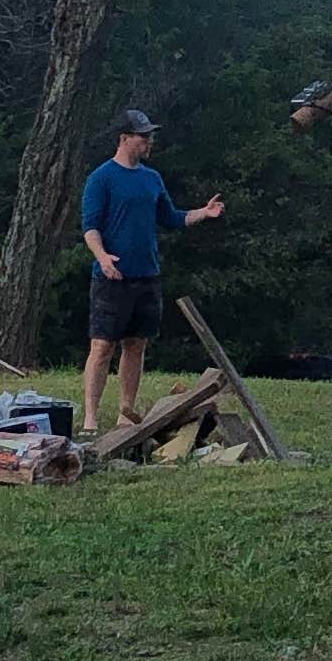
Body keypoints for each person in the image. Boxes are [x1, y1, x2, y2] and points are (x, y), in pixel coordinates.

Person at [79, 112, 224, 435]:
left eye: (150, 136)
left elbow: (171, 218)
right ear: (124, 138)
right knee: (102, 347)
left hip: (147, 276)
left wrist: (204, 212)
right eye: (143, 136)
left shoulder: (152, 179)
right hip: (111, 277)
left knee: (136, 345)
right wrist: (102, 257)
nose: (149, 142)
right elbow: (90, 227)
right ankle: (90, 418)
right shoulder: (101, 178)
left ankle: (125, 414)